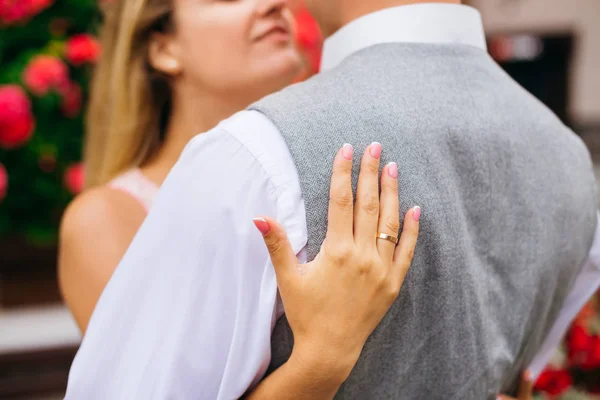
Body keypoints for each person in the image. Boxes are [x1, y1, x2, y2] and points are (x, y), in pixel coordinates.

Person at [65, 0, 600, 399]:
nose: (272, 4)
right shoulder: (225, 168)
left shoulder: (278, 150)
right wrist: (320, 359)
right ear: (161, 47)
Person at [58, 0, 312, 332]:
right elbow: (152, 386)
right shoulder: (107, 221)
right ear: (164, 49)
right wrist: (323, 353)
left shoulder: (317, 174)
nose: (274, 4)